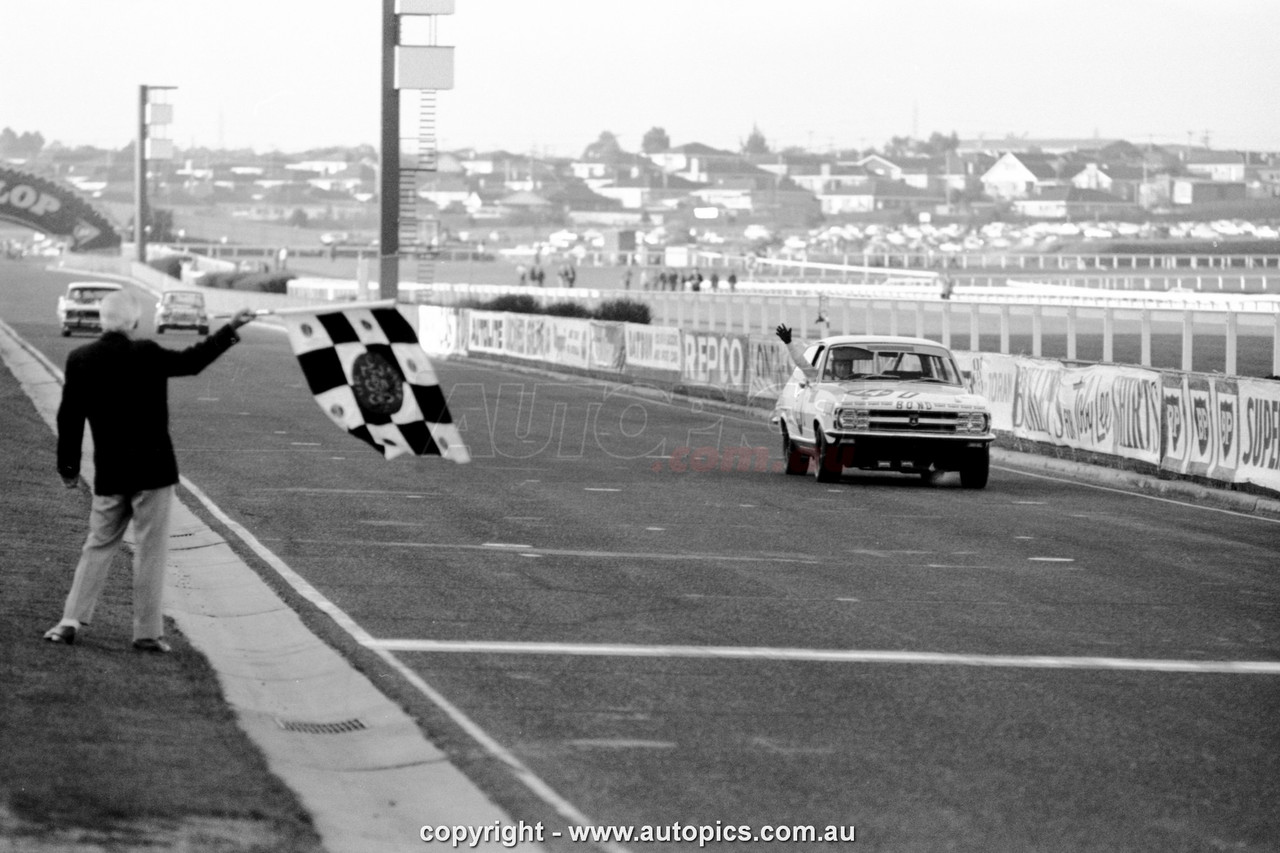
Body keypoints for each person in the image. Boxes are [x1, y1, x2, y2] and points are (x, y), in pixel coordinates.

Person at [43, 291, 255, 653]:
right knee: (150, 552)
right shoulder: (148, 352)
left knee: (98, 545)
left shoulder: (80, 358)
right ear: (135, 322)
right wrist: (231, 327)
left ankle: (70, 620)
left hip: (111, 472)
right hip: (154, 471)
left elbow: (70, 418)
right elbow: (193, 361)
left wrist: (68, 467)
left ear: (101, 320)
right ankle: (146, 632)